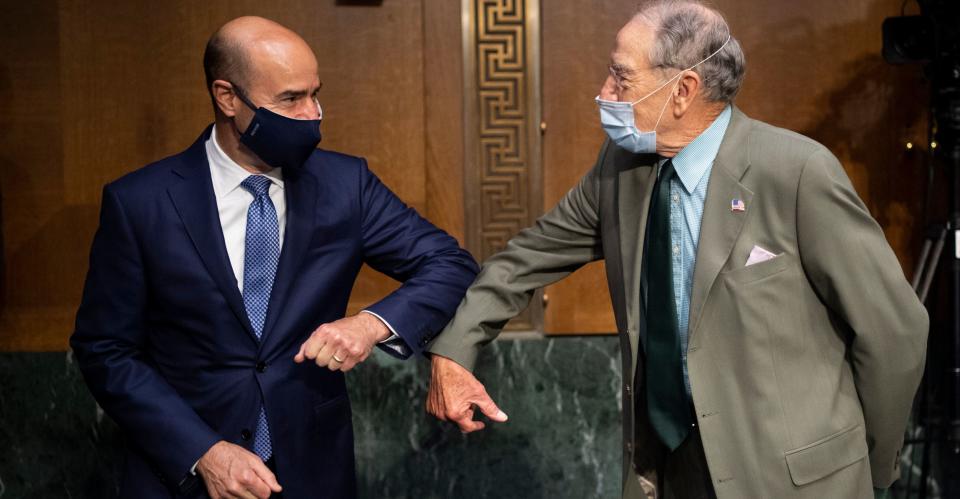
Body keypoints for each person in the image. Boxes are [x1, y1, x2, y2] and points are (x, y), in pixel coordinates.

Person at [425, 1, 928, 498]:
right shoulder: (619, 168)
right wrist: (454, 350)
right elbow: (524, 259)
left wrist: (872, 465)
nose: (603, 93)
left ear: (683, 91)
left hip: (790, 478)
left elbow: (893, 330)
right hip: (667, 467)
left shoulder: (795, 172)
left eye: (621, 79)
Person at [71, 16, 478, 499]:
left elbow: (449, 264)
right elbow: (106, 350)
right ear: (227, 97)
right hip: (181, 477)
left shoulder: (346, 185)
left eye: (315, 93)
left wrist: (369, 325)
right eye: (290, 99)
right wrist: (204, 451)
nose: (312, 114)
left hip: (312, 470)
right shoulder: (140, 202)